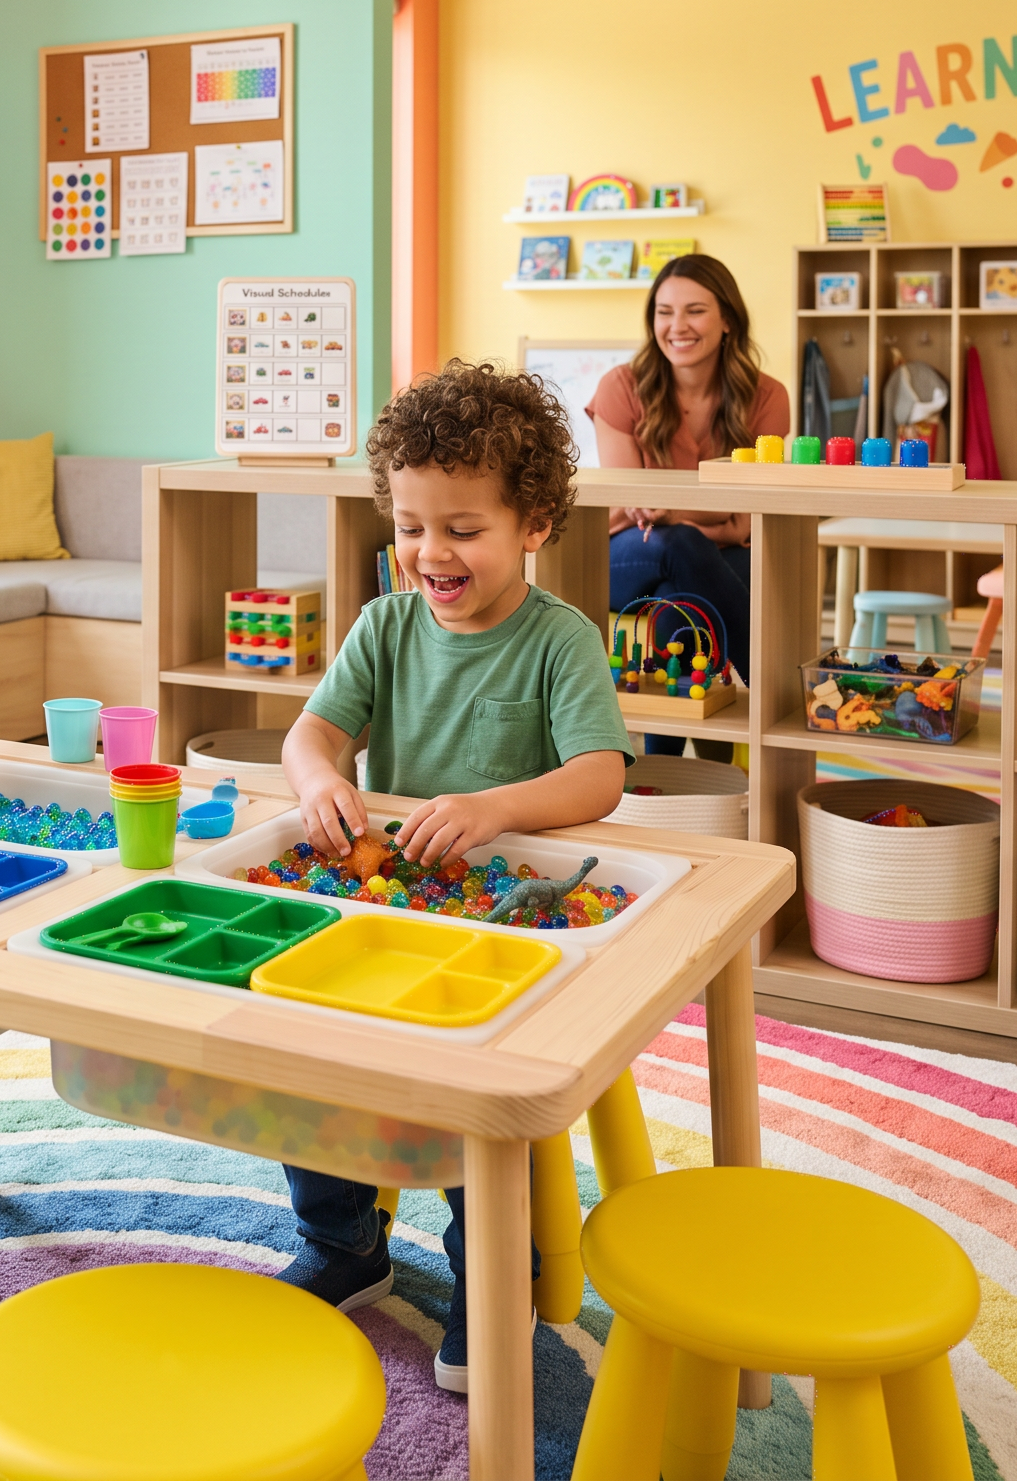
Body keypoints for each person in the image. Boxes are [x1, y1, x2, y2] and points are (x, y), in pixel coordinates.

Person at [270, 358, 632, 1394]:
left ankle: (493, 1283)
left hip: (509, 918)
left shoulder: (560, 640)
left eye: (461, 528)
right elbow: (312, 732)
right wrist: (316, 781)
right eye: (412, 525)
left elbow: (600, 775)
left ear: (534, 524)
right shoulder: (386, 625)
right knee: (309, 1067)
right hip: (389, 908)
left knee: (483, 1109)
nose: (431, 552)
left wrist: (493, 807)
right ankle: (345, 1244)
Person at [590, 254, 790, 756]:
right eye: (664, 311)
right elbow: (629, 505)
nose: (676, 326)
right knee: (680, 547)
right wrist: (693, 520)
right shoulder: (622, 387)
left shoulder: (767, 397)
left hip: (706, 558)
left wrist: (676, 513)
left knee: (680, 597)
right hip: (625, 555)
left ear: (728, 321)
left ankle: (672, 776)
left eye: (695, 311)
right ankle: (773, 697)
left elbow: (746, 525)